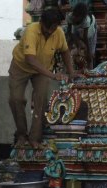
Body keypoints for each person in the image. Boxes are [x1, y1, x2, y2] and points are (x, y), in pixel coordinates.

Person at [8, 9, 75, 150]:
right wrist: (53, 75)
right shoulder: (31, 30)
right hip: (21, 67)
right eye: (47, 29)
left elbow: (65, 51)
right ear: (41, 23)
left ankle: (35, 138)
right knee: (16, 99)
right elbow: (30, 59)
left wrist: (71, 73)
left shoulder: (59, 33)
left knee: (41, 100)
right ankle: (21, 135)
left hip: (43, 69)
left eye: (53, 28)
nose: (50, 32)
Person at [64, 3, 96, 72]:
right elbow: (69, 33)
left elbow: (85, 37)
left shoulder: (86, 20)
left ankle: (90, 71)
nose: (76, 19)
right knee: (70, 47)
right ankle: (69, 69)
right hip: (76, 31)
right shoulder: (70, 16)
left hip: (89, 33)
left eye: (78, 17)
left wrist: (88, 52)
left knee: (90, 54)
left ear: (82, 17)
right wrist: (75, 43)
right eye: (75, 16)